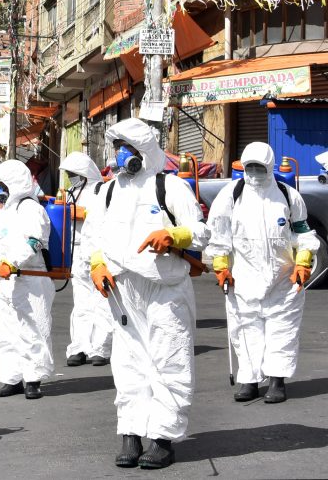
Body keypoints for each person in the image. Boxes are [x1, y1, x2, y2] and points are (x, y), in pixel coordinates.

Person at [84, 118, 209, 470]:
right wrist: (97, 265)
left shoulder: (167, 186)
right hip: (123, 291)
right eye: (117, 146)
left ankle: (163, 438)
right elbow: (94, 237)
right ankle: (131, 433)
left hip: (164, 289)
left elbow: (201, 231)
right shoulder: (107, 191)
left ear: (143, 152)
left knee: (169, 359)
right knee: (127, 363)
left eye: (127, 147)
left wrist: (175, 237)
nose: (120, 154)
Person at [207, 142, 319, 403]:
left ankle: (277, 381)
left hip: (283, 279)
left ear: (269, 167)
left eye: (260, 167)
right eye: (250, 167)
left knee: (282, 329)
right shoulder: (230, 195)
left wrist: (303, 262)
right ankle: (249, 380)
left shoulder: (288, 195)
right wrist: (221, 266)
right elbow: (219, 236)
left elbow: (303, 234)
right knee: (246, 329)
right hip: (244, 277)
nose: (255, 172)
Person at [0, 159, 55, 400]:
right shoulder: (6, 212)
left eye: (2, 184)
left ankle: (33, 379)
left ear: (14, 184)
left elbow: (34, 241)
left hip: (30, 278)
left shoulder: (31, 209)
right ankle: (12, 378)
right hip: (5, 281)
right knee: (8, 330)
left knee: (33, 329)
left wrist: (11, 263)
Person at [58, 152, 113, 367]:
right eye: (69, 173)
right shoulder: (71, 192)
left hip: (98, 252)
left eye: (74, 173)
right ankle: (79, 347)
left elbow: (104, 217)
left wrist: (81, 213)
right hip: (76, 253)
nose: (71, 176)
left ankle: (100, 348)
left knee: (102, 301)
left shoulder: (102, 191)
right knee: (81, 304)